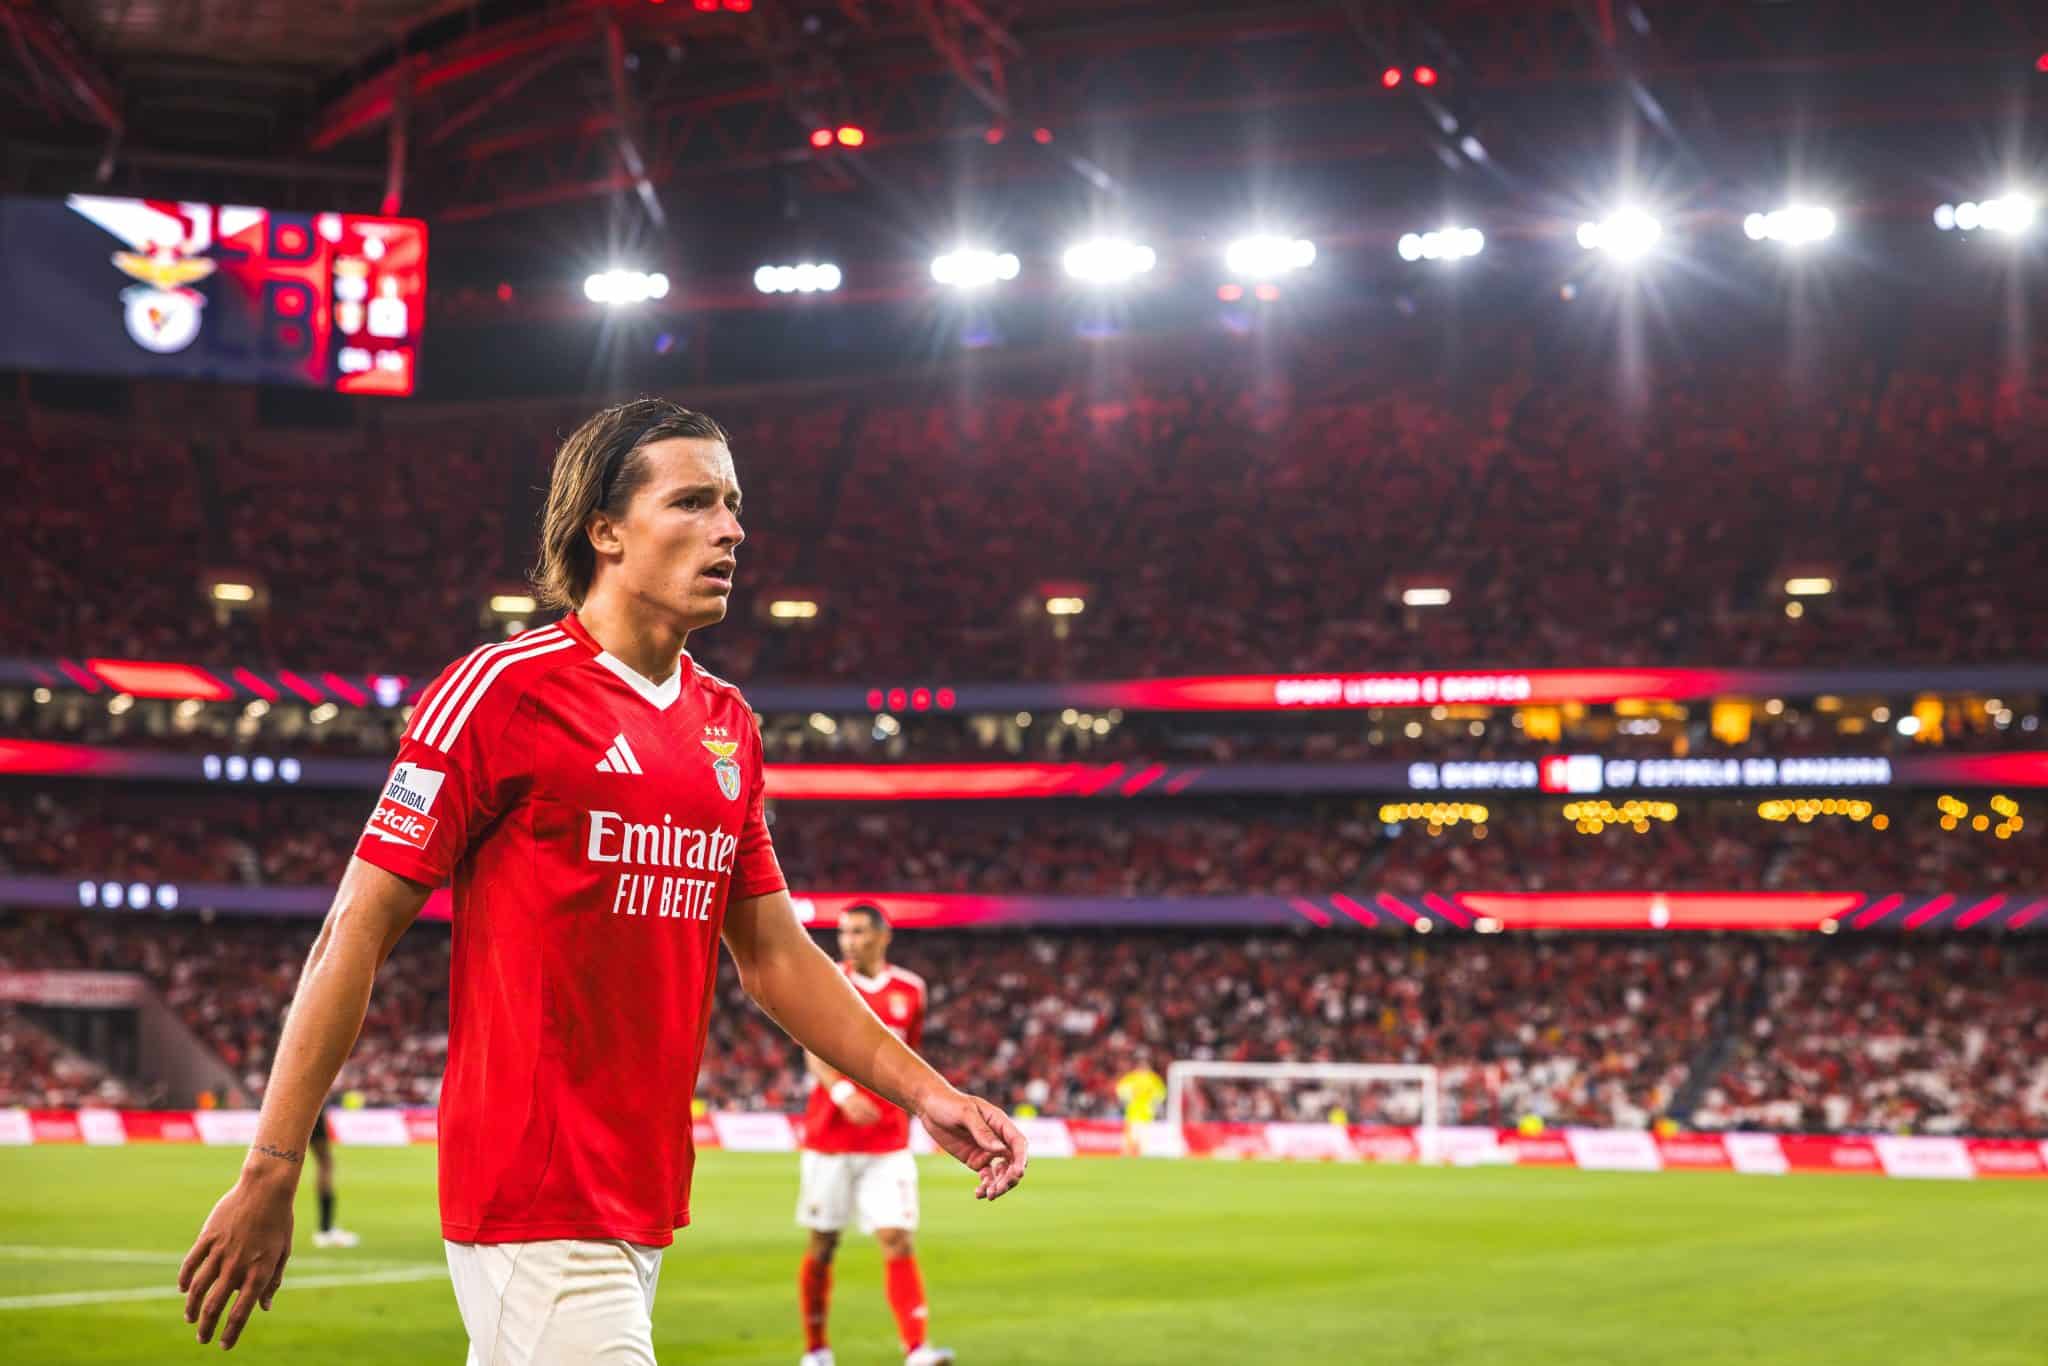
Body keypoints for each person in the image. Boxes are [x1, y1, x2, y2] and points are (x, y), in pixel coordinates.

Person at [177, 399, 1028, 1358]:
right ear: (605, 529)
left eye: (735, 505)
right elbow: (354, 932)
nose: (733, 529)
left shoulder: (728, 723)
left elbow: (777, 955)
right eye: (695, 502)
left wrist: (928, 1094)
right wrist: (272, 1166)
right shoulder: (500, 692)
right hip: (531, 1186)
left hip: (642, 1188)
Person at [797, 904, 949, 1366]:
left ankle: (917, 1348)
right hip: (830, 1136)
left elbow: (911, 1058)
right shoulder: (828, 981)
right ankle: (817, 1351)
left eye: (859, 932)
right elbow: (810, 1045)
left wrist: (924, 1108)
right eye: (843, 933)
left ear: (883, 936)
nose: (848, 941)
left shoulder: (911, 990)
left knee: (898, 1237)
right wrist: (843, 1093)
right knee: (823, 1243)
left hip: (888, 1140)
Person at [307, 1094, 358, 1249]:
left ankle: (325, 1229)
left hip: (287, 1101)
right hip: (309, 1102)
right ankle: (325, 1230)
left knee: (282, 1161)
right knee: (325, 1163)